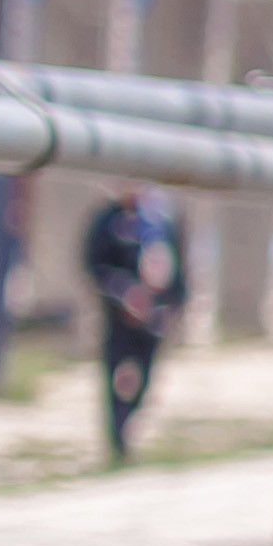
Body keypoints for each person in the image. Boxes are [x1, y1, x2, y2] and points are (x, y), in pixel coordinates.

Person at [78, 182, 188, 464]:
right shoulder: (108, 219)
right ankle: (117, 441)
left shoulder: (163, 217)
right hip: (119, 316)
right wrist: (123, 294)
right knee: (114, 375)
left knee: (145, 377)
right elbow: (94, 264)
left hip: (154, 315)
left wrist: (175, 305)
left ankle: (129, 422)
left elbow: (178, 266)